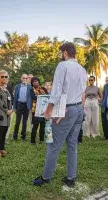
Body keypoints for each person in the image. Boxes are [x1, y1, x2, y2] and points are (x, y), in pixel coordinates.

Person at [33, 42, 87, 188]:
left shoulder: (62, 66)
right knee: (72, 144)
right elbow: (83, 91)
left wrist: (49, 109)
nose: (60, 56)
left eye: (60, 53)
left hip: (66, 109)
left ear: (65, 53)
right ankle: (71, 177)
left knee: (53, 144)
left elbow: (56, 90)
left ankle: (46, 177)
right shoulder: (82, 69)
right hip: (78, 109)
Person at [0, 70, 13, 157]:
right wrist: (6, 110)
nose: (4, 78)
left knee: (4, 131)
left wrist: (11, 109)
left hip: (7, 113)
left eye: (6, 76)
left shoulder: (6, 89)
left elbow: (9, 100)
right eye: (2, 76)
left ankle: (2, 148)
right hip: (0, 113)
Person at [12, 74, 33, 141]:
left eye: (26, 78)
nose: (25, 79)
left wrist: (30, 108)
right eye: (23, 78)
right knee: (17, 122)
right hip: (19, 105)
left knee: (24, 122)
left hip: (26, 106)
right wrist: (14, 107)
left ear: (28, 79)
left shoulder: (30, 87)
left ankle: (23, 137)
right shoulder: (17, 86)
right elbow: (15, 97)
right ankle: (15, 136)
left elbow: (31, 98)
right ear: (21, 78)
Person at [30, 77, 48, 144]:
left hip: (43, 110)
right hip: (36, 110)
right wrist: (41, 97)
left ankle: (41, 140)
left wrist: (40, 96)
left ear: (38, 82)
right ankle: (32, 141)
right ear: (32, 83)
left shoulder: (43, 89)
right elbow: (33, 97)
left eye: (36, 81)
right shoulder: (31, 90)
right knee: (35, 126)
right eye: (33, 81)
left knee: (42, 126)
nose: (35, 82)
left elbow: (47, 96)